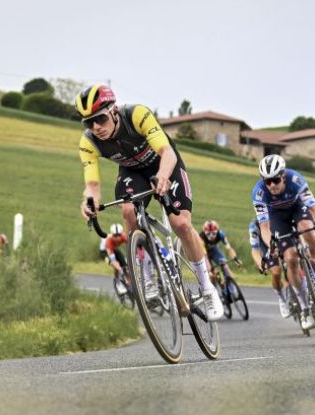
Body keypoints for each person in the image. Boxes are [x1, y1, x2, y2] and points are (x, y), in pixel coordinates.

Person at [76, 84, 223, 320]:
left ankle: (207, 289)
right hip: (133, 172)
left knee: (182, 225)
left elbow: (167, 152)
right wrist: (88, 202)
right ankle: (146, 277)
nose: (96, 127)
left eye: (100, 119)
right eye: (88, 122)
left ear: (113, 110)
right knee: (128, 212)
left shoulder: (136, 115)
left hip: (164, 165)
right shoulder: (89, 141)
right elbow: (92, 186)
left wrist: (163, 177)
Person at [251, 154, 315, 330]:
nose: (272, 185)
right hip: (278, 219)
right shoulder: (259, 193)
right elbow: (265, 228)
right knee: (290, 259)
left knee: (308, 230)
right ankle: (305, 309)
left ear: (283, 176)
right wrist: (272, 245)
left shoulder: (296, 179)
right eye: (267, 182)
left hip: (298, 209)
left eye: (275, 180)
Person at [249, 218, 292, 319]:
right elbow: (255, 250)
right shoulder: (254, 226)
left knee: (293, 260)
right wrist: (261, 265)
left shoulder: (279, 213)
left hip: (282, 237)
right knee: (276, 272)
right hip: (267, 246)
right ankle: (281, 298)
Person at [199, 220, 243, 293]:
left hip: (214, 250)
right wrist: (209, 270)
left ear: (217, 231)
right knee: (212, 274)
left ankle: (231, 286)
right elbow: (205, 256)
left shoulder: (221, 234)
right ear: (204, 233)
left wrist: (236, 259)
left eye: (214, 233)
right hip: (204, 253)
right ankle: (212, 291)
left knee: (224, 264)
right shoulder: (201, 238)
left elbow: (229, 248)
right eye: (208, 234)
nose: (211, 236)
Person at [104, 223, 131, 296]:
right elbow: (113, 260)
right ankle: (117, 282)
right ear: (112, 235)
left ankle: (130, 284)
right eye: (115, 236)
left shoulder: (123, 236)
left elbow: (131, 246)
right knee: (117, 266)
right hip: (107, 253)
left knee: (125, 267)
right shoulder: (109, 241)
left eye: (119, 235)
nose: (117, 238)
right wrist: (120, 269)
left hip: (115, 250)